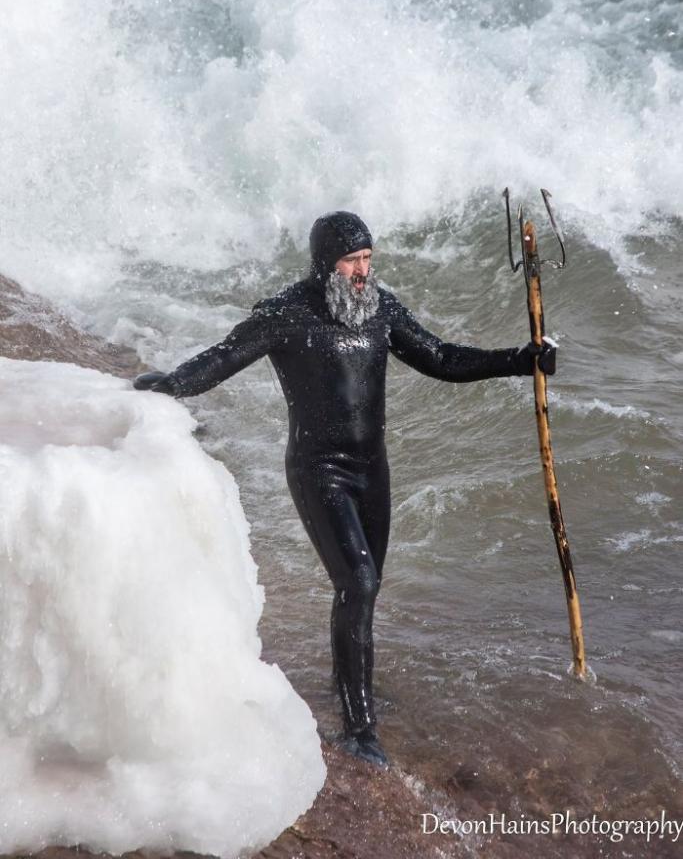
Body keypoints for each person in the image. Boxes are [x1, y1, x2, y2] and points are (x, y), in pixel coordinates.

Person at [134, 211, 556, 768]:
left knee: (367, 587)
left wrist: (521, 361)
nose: (363, 271)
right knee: (356, 582)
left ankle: (352, 684)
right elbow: (225, 356)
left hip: (371, 470)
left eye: (368, 260)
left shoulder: (380, 309)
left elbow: (441, 357)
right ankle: (359, 729)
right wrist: (169, 384)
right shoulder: (287, 314)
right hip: (319, 470)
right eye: (352, 261)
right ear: (324, 263)